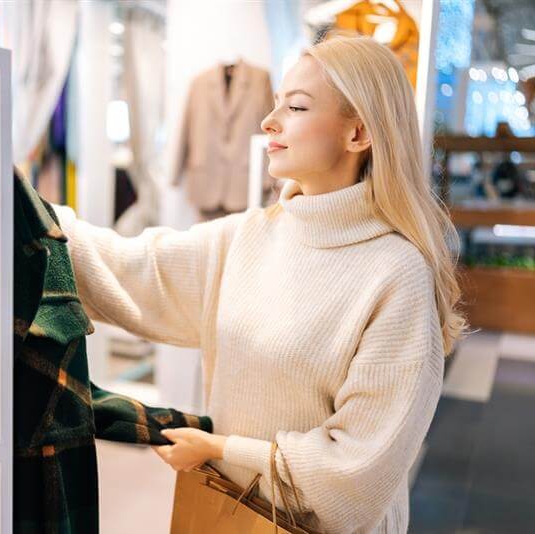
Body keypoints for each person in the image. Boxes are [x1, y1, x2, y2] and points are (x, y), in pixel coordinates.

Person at [51, 36, 465, 533]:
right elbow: (132, 269)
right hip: (228, 514)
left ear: (358, 132)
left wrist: (221, 448)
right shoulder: (249, 236)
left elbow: (356, 475)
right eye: (276, 104)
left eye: (295, 106)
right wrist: (27, 213)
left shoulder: (397, 274)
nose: (269, 122)